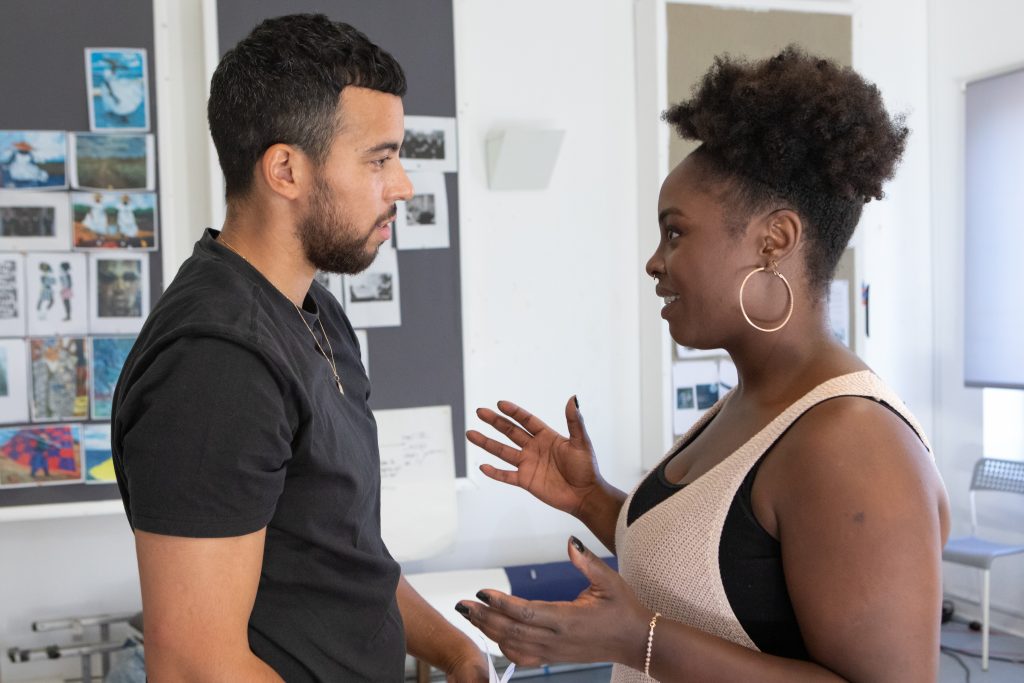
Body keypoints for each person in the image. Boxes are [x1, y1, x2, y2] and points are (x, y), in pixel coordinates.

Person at [458, 47, 950, 682]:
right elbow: (722, 575)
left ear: (774, 241)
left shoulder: (852, 442)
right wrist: (591, 500)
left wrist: (640, 643)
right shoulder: (747, 401)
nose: (655, 262)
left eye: (675, 233)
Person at [110, 14, 487, 683]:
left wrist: (455, 650)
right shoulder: (218, 361)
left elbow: (341, 553)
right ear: (285, 168)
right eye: (380, 158)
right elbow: (198, 665)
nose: (402, 186)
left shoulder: (312, 313)